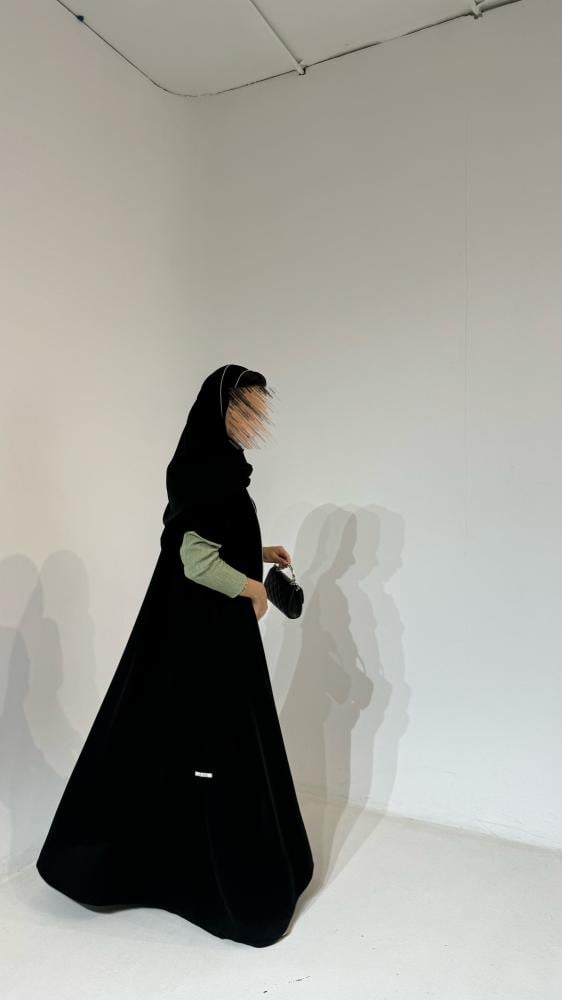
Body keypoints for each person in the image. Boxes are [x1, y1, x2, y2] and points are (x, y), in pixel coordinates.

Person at [36, 363, 314, 947]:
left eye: (259, 411)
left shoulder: (219, 465)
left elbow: (211, 536)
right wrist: (254, 588)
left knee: (206, 741)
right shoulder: (202, 468)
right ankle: (205, 876)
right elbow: (195, 560)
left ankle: (195, 863)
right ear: (222, 409)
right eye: (246, 409)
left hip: (212, 628)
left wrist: (259, 551)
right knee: (210, 745)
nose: (255, 422)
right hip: (200, 634)